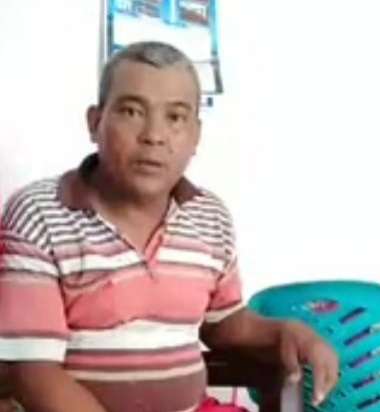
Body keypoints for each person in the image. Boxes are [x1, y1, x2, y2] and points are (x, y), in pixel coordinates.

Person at [0, 41, 338, 412]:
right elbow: (31, 370)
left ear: (196, 136)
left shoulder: (209, 217)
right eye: (132, 111)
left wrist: (287, 332)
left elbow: (224, 324)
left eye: (175, 117)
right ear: (95, 122)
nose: (154, 136)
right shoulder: (39, 214)